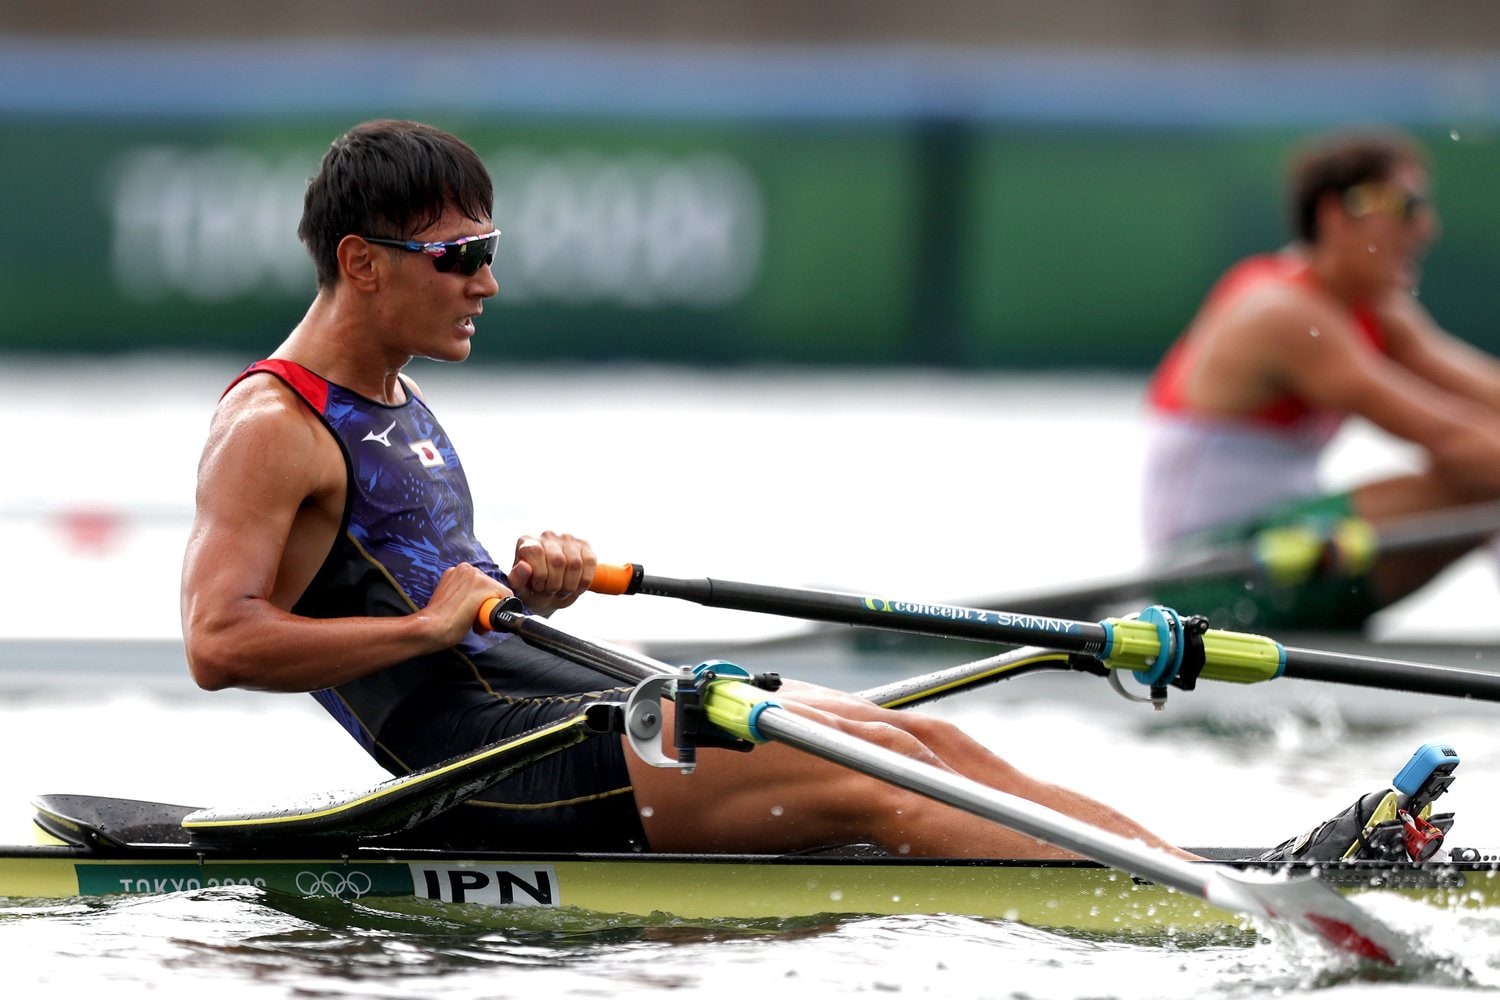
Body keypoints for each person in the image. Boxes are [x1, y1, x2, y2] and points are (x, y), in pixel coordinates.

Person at [180, 117, 1195, 862]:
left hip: (559, 697)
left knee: (914, 737)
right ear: (361, 263)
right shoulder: (274, 428)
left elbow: (439, 600)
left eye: (492, 253)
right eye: (464, 257)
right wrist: (426, 631)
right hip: (486, 769)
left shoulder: (396, 393)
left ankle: (1215, 870)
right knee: (874, 780)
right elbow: (217, 643)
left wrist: (526, 587)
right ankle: (1183, 906)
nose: (487, 283)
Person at [1142, 127, 1500, 632]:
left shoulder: (1377, 310)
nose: (1426, 228)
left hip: (1287, 552)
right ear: (1337, 214)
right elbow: (1450, 436)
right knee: (1480, 483)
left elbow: (1489, 395)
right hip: (1209, 576)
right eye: (1407, 206)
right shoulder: (1282, 314)